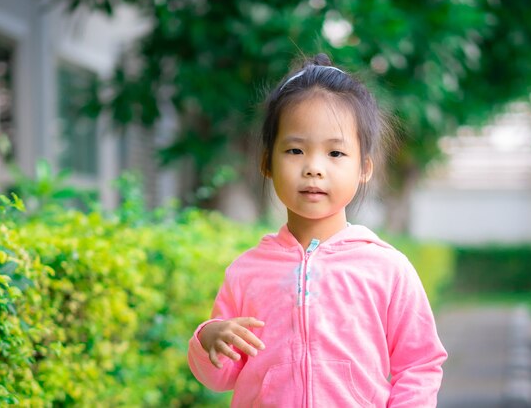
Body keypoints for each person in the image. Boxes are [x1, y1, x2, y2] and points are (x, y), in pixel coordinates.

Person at [188, 53, 447, 407]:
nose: (313, 168)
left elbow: (419, 364)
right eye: (295, 150)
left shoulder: (387, 269)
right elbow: (220, 377)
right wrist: (207, 338)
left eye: (336, 154)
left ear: (364, 167)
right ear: (267, 162)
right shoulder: (247, 272)